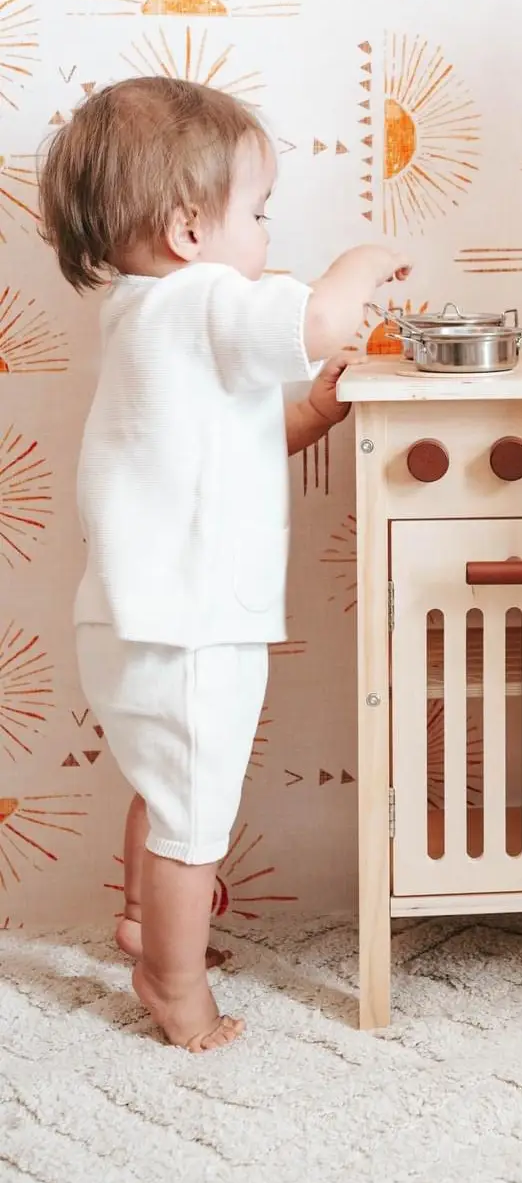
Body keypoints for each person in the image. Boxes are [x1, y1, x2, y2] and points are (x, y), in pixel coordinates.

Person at [39, 77, 410, 1053]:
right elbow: (320, 323)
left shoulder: (141, 315)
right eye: (257, 212)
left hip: (135, 616)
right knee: (195, 817)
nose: (265, 235)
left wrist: (312, 416)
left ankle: (139, 918)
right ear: (186, 233)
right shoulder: (209, 297)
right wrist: (362, 260)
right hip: (194, 621)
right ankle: (174, 984)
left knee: (168, 790)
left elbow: (221, 442)